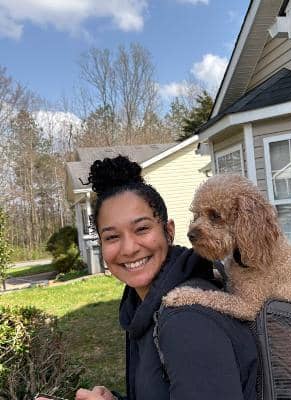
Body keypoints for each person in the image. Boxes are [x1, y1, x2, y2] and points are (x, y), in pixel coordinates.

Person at [73, 155, 258, 400]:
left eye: (142, 229)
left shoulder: (187, 319)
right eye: (112, 237)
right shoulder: (144, 306)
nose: (128, 248)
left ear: (168, 231)